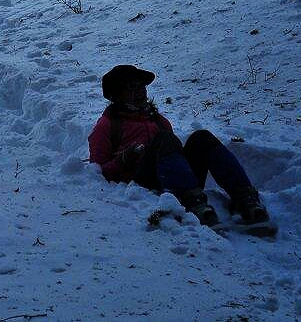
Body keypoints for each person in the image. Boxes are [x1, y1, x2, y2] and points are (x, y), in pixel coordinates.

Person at [88, 64, 270, 228]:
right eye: (132, 86)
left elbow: (172, 156)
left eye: (142, 85)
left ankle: (245, 198)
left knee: (202, 138)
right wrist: (122, 160)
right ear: (117, 95)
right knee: (165, 139)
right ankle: (191, 203)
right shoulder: (107, 125)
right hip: (141, 184)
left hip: (171, 180)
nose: (141, 90)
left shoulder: (159, 121)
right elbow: (97, 173)